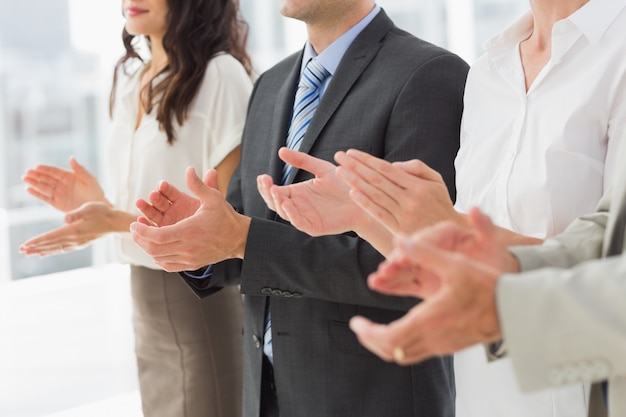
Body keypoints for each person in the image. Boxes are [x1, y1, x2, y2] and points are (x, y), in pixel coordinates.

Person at [257, 0, 626, 415]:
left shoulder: (617, 53)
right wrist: (367, 215)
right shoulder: (490, 69)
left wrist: (450, 227)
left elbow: (611, 265)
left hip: (580, 391)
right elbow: (454, 255)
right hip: (481, 390)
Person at [128, 1, 470, 416]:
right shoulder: (270, 85)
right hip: (266, 394)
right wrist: (200, 234)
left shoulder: (429, 75)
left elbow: (421, 268)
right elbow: (244, 241)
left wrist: (244, 240)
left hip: (370, 399)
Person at [19, 1, 252, 416]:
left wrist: (111, 220)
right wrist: (100, 206)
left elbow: (229, 219)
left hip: (197, 294)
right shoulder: (130, 78)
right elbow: (142, 206)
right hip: (143, 297)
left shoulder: (221, 75)